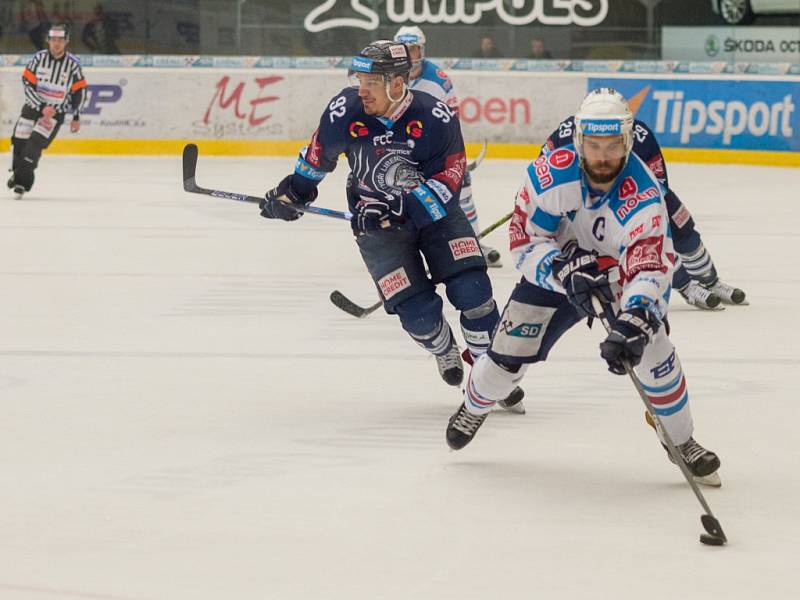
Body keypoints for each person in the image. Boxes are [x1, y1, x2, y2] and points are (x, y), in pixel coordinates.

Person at [445, 88, 721, 486]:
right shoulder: (550, 174)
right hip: (557, 273)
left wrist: (635, 318)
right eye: (594, 145)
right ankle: (474, 405)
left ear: (627, 142)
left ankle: (681, 439)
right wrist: (560, 269)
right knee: (504, 359)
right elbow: (525, 241)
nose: (604, 156)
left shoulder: (644, 193)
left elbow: (650, 266)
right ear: (579, 142)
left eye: (613, 146)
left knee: (656, 354)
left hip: (619, 278)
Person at [259, 39, 523, 410]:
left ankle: (487, 370)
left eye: (371, 83)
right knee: (418, 315)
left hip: (436, 217)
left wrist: (403, 206)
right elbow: (318, 155)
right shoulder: (344, 111)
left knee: (474, 293)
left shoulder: (436, 116)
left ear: (397, 84)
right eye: (359, 81)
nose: (361, 90)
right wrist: (293, 194)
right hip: (376, 225)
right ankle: (443, 347)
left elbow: (451, 179)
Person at [542, 104, 747, 308]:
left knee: (683, 228)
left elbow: (660, 182)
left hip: (641, 193)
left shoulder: (640, 133)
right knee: (644, 243)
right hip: (589, 203)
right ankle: (686, 287)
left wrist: (653, 208)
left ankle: (710, 281)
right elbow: (542, 175)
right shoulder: (566, 131)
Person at [394, 25, 502, 268]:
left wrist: (454, 157)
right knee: (398, 198)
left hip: (431, 149)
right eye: (406, 50)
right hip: (396, 152)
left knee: (461, 185)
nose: (411, 56)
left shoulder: (439, 80)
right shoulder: (387, 77)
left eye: (415, 49)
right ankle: (398, 251)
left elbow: (450, 122)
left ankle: (472, 243)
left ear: (422, 49)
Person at [7, 24, 87, 199]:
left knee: (33, 148)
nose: (56, 44)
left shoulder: (73, 65)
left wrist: (76, 115)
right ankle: (18, 173)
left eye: (60, 40)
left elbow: (80, 91)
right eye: (53, 40)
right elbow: (27, 84)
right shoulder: (38, 59)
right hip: (32, 109)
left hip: (54, 115)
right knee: (19, 144)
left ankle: (21, 183)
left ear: (66, 42)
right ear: (48, 40)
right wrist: (42, 107)